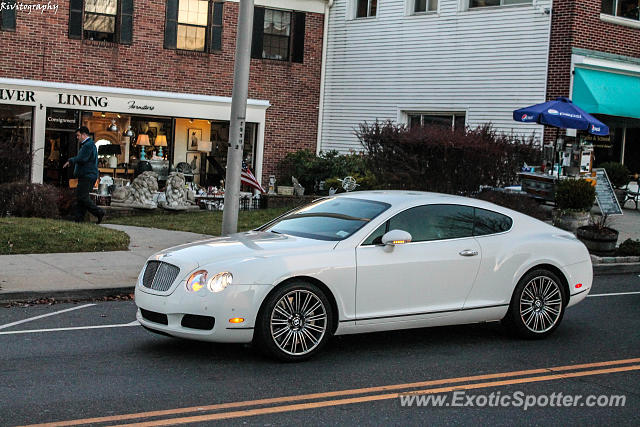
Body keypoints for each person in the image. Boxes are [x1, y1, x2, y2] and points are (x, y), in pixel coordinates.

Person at [63, 127, 105, 223]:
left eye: (78, 135)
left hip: (87, 176)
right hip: (87, 175)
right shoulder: (88, 145)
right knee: (81, 198)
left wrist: (71, 160)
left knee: (82, 197)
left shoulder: (88, 145)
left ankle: (99, 212)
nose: (77, 138)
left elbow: (82, 158)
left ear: (84, 134)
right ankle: (79, 220)